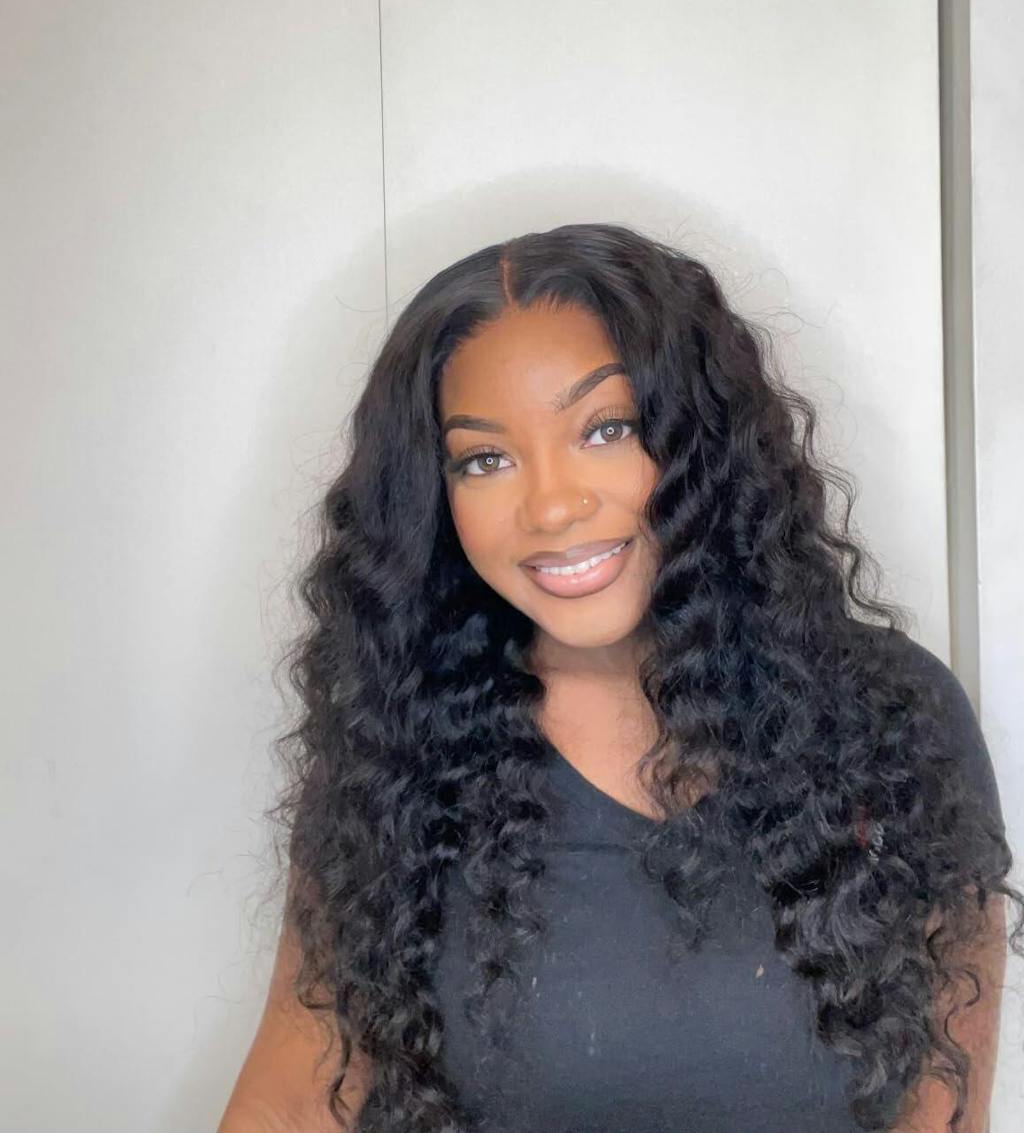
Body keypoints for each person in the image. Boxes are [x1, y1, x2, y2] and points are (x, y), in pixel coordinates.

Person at [218, 222, 1020, 1133]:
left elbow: (943, 1107)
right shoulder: (397, 744)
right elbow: (291, 1099)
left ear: (699, 443)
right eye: (485, 458)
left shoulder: (893, 717)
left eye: (606, 429)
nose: (552, 506)